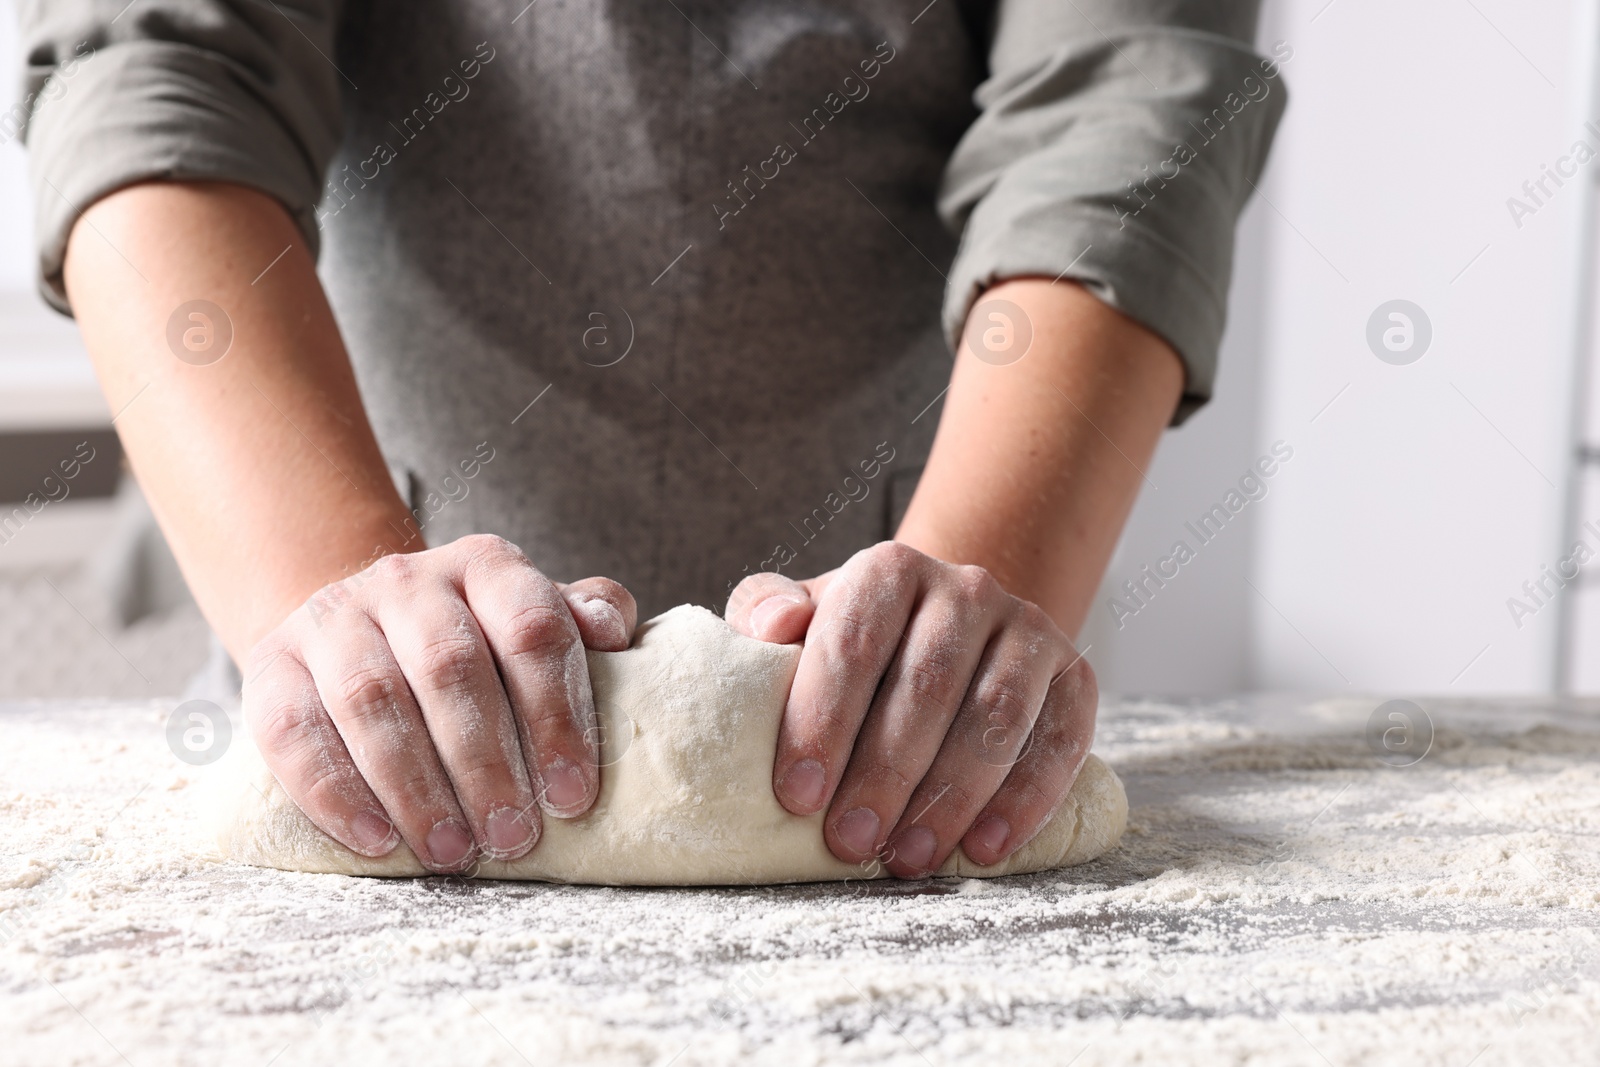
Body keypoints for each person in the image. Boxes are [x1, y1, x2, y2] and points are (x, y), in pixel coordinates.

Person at [17, 1, 1284, 878]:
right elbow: (156, 69)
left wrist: (946, 640)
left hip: (937, 676)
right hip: (350, 629)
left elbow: (1122, 109)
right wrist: (340, 607)